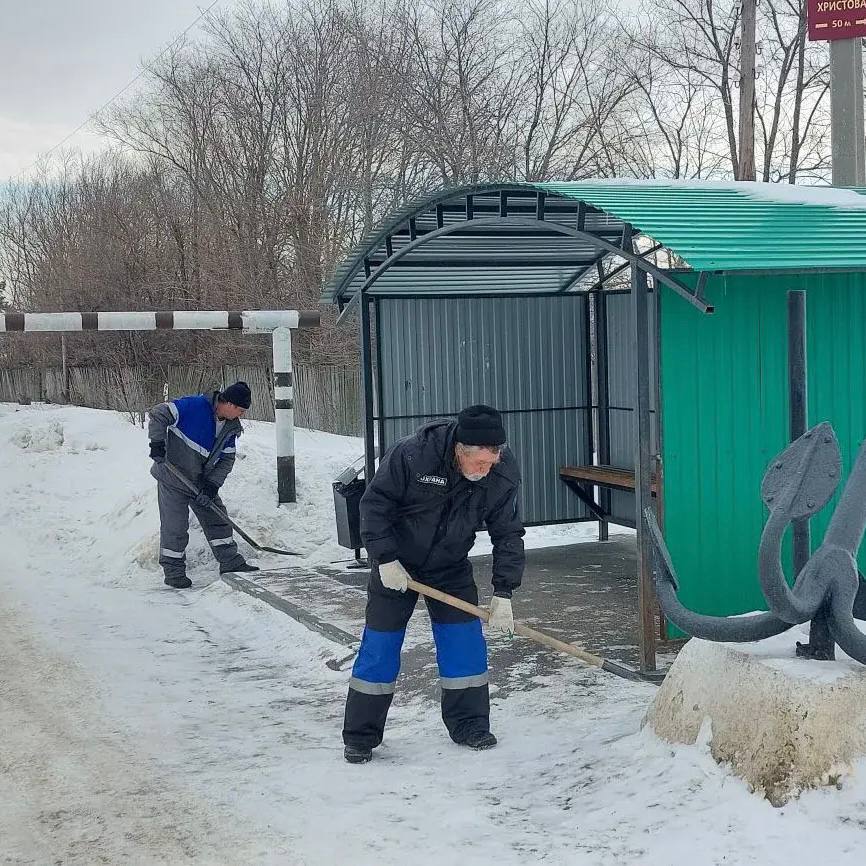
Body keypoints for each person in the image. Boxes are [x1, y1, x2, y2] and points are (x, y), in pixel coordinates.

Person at [342, 404, 525, 764]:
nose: (485, 470)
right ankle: (361, 736)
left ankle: (470, 724)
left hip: (450, 566)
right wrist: (385, 558)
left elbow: (508, 533)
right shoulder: (414, 454)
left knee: (464, 645)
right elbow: (375, 505)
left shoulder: (501, 473)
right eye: (479, 463)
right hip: (397, 564)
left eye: (490, 463)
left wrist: (504, 592)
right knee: (380, 646)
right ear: (460, 450)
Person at [148, 381, 259, 589]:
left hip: (200, 481)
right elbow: (158, 413)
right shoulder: (194, 406)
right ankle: (174, 573)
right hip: (173, 477)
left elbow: (227, 460)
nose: (242, 415)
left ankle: (230, 562)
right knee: (175, 527)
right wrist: (157, 443)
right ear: (229, 404)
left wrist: (211, 486)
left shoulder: (230, 428)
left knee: (218, 519)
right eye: (241, 410)